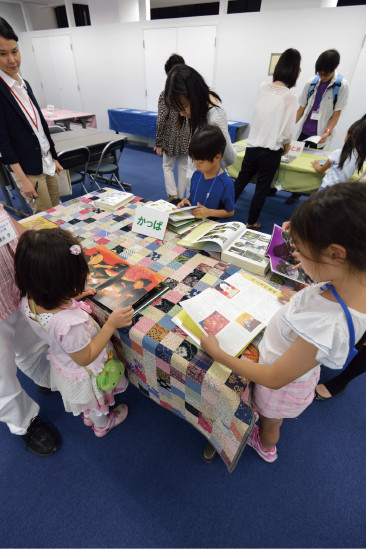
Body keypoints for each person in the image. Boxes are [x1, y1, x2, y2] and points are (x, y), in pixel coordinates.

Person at [201, 182, 366, 463]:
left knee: (270, 422)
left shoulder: (327, 325)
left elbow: (274, 378)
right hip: (298, 368)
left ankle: (266, 447)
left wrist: (218, 354)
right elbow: (327, 298)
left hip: (280, 386)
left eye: (302, 251)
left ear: (336, 254)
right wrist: (299, 298)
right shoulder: (353, 279)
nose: (297, 257)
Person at [15, 227, 134, 437]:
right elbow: (85, 356)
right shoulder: (70, 325)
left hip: (64, 362)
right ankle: (102, 424)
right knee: (97, 402)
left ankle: (89, 414)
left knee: (88, 403)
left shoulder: (30, 299)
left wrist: (69, 296)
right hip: (85, 371)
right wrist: (110, 325)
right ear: (59, 285)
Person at [0, 203, 59, 455]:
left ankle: (44, 377)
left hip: (14, 283)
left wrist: (36, 242)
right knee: (2, 377)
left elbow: (5, 221)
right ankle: (25, 423)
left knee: (32, 341)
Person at [0, 17, 62, 214]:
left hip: (46, 161)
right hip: (28, 169)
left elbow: (40, 126)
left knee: (58, 210)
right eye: (2, 54)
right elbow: (4, 143)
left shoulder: (23, 84)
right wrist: (23, 180)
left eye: (14, 51)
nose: (12, 60)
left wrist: (54, 157)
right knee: (43, 218)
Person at [234, 48, 301, 229]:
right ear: (296, 71)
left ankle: (223, 209)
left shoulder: (262, 88)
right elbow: (287, 131)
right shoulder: (290, 97)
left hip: (252, 145)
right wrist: (286, 148)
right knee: (262, 188)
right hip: (271, 151)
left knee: (240, 181)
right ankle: (251, 221)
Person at [287, 49, 349, 204]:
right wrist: (288, 127)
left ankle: (301, 194)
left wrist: (327, 132)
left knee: (311, 165)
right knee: (292, 159)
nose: (322, 77)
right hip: (303, 131)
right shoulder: (311, 82)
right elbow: (301, 109)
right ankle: (287, 187)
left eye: (325, 75)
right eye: (319, 74)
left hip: (320, 135)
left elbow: (336, 114)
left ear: (335, 67)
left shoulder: (341, 86)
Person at [164, 63, 236, 170]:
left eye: (184, 106)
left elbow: (228, 157)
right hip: (197, 177)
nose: (182, 113)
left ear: (195, 95)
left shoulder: (215, 117)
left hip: (206, 180)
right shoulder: (199, 107)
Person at [177, 125, 235, 219]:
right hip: (192, 221)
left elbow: (230, 212)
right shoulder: (196, 175)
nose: (196, 165)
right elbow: (194, 198)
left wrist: (209, 212)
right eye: (194, 160)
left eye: (200, 162)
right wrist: (185, 200)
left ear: (217, 157)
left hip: (209, 225)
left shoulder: (226, 183)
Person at [154, 54, 190, 203]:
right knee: (183, 167)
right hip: (186, 134)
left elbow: (161, 119)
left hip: (170, 135)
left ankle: (172, 194)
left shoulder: (166, 94)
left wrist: (158, 142)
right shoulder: (188, 92)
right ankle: (181, 196)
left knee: (167, 166)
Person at [312, 114, 366, 190]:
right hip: (340, 190)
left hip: (326, 188)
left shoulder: (337, 153)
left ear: (349, 136)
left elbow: (321, 170)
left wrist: (316, 164)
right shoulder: (360, 157)